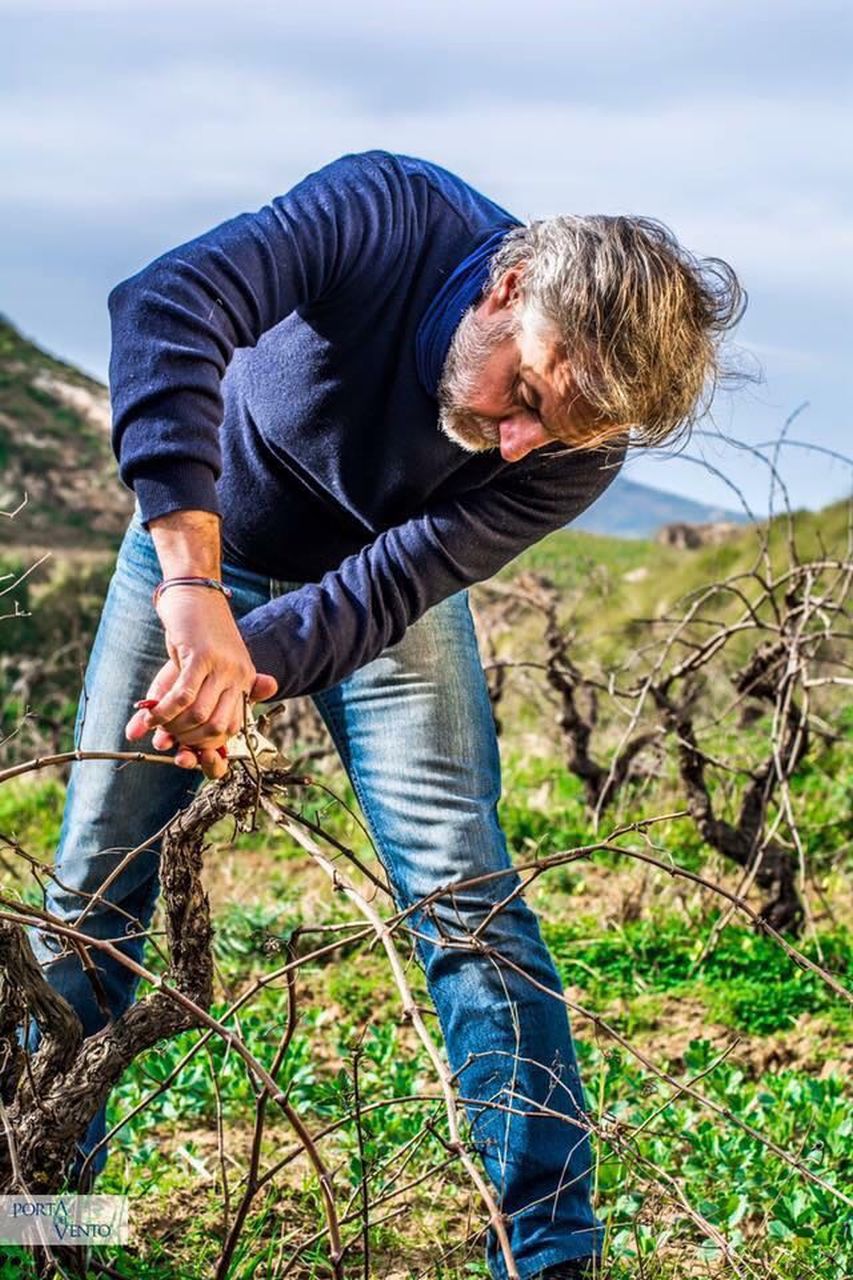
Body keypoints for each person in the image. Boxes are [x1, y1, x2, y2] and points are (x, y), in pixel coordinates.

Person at [23, 151, 744, 1280]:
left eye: (559, 435)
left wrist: (236, 668)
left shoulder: (575, 445)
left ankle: (550, 1256)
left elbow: (389, 589)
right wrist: (196, 595)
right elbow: (164, 306)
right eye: (532, 395)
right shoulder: (390, 213)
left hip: (374, 596)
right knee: (88, 895)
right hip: (189, 546)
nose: (519, 445)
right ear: (505, 289)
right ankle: (53, 1226)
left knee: (466, 895)